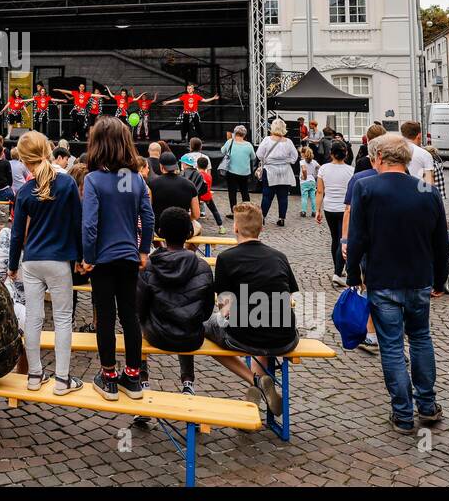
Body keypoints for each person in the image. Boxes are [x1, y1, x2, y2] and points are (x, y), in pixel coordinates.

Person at [345, 134, 449, 434]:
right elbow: (440, 240)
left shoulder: (367, 187)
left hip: (382, 279)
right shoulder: (427, 191)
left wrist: (353, 276)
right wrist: (439, 278)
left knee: (391, 346)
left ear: (378, 158)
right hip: (418, 279)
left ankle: (403, 414)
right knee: (420, 338)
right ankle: (427, 406)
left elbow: (358, 238)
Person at [201, 203, 299, 415]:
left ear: (235, 228)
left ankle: (254, 379)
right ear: (261, 228)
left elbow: (225, 309)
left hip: (247, 335)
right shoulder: (279, 256)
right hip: (285, 335)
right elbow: (288, 296)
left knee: (204, 330)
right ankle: (254, 396)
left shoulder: (226, 258)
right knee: (261, 322)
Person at [82, 116, 154, 401]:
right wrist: (144, 250)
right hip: (128, 257)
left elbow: (89, 224)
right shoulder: (136, 179)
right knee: (130, 317)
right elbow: (147, 218)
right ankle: (133, 377)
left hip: (102, 259)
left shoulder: (93, 179)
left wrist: (88, 256)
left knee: (106, 318)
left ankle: (109, 376)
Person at [6, 131, 82, 393]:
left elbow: (17, 233)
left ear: (25, 160)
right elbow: (77, 224)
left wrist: (12, 265)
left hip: (32, 260)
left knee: (34, 319)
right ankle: (62, 379)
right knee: (62, 319)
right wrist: (81, 258)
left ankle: (34, 375)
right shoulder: (67, 184)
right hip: (59, 259)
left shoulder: (25, 190)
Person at [137, 207, 215, 395]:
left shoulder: (148, 267)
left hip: (156, 334)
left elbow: (140, 307)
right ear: (189, 233)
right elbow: (206, 310)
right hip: (190, 337)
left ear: (160, 232)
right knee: (189, 317)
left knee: (135, 323)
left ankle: (142, 380)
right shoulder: (202, 267)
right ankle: (188, 382)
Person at [256, 118, 298, 227]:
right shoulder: (288, 142)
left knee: (267, 196)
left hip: (270, 170)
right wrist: (286, 161)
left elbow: (259, 154)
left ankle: (262, 217)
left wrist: (267, 160)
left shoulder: (267, 140)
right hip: (285, 171)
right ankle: (281, 218)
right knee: (283, 197)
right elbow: (294, 157)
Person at [148, 150, 205, 225]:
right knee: (197, 225)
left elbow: (148, 210)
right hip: (183, 229)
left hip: (160, 229)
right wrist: (185, 221)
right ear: (176, 165)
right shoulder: (190, 185)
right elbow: (196, 214)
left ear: (161, 166)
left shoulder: (152, 184)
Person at [220, 125, 255, 207]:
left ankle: (233, 211)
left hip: (231, 172)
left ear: (234, 133)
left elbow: (222, 151)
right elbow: (253, 157)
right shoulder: (249, 145)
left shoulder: (230, 142)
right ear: (244, 135)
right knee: (245, 192)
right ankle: (247, 209)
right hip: (244, 173)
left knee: (232, 192)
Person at [298, 146, 319, 219]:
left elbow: (304, 169)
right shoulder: (314, 162)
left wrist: (305, 176)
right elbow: (320, 167)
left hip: (304, 182)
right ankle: (314, 211)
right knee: (313, 197)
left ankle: (303, 211)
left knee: (304, 197)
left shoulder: (302, 161)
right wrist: (316, 174)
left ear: (303, 154)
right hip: (312, 181)